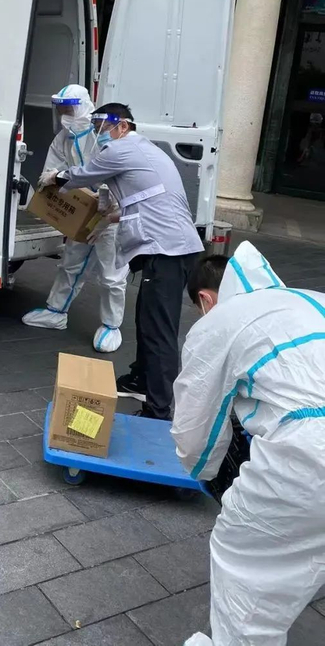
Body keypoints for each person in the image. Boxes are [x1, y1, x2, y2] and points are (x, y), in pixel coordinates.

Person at [174, 241, 325, 646]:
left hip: (310, 453)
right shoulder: (309, 299)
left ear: (206, 300)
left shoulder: (221, 321)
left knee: (244, 558)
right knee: (309, 547)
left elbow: (195, 429)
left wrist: (207, 474)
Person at [40, 101, 203, 419]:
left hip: (167, 250)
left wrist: (55, 177)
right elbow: (138, 197)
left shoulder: (123, 148)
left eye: (102, 127)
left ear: (123, 126)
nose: (98, 133)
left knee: (159, 331)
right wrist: (109, 218)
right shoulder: (142, 150)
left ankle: (158, 409)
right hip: (169, 248)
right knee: (146, 319)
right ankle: (140, 378)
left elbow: (84, 174)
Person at [22, 85, 128, 352]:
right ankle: (56, 311)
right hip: (83, 213)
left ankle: (111, 325)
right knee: (71, 263)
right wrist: (52, 180)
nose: (65, 114)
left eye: (69, 108)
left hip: (110, 214)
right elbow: (52, 170)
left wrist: (109, 212)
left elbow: (118, 175)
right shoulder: (63, 138)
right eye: (61, 109)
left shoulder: (102, 133)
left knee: (112, 274)